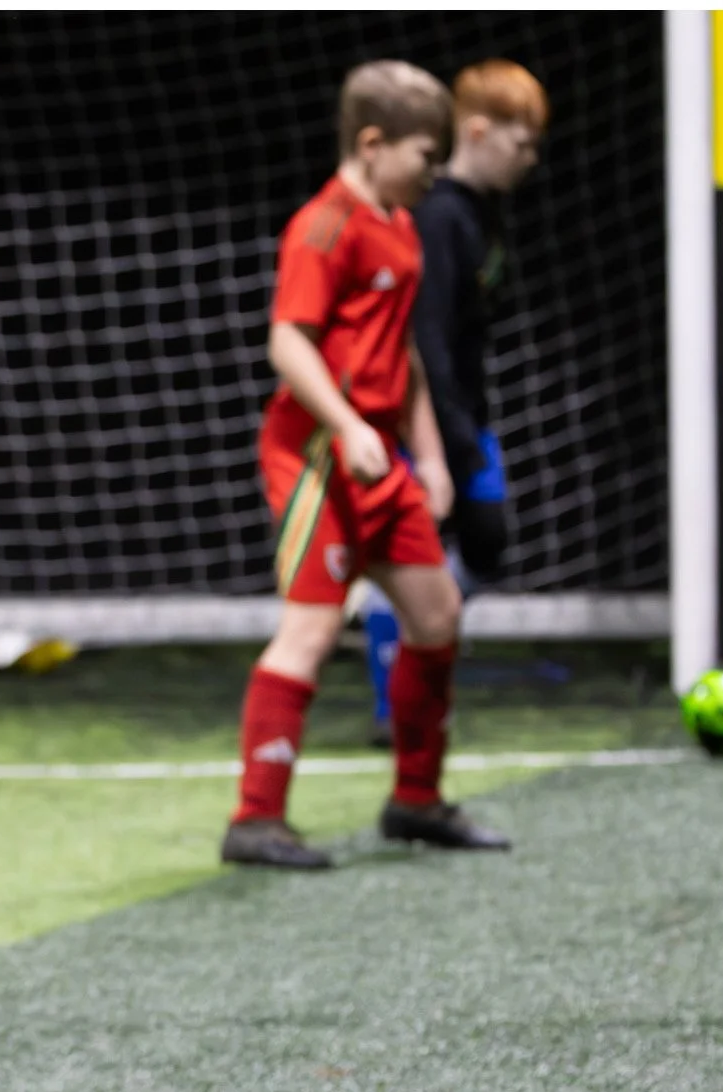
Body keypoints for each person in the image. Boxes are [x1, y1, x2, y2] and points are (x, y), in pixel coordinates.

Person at [220, 60, 510, 871]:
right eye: (426, 154)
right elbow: (288, 343)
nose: (434, 170)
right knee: (311, 629)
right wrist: (346, 423)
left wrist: (428, 451)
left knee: (437, 615)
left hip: (381, 458)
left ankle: (415, 801)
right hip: (318, 455)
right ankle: (254, 820)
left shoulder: (402, 223)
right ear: (373, 143)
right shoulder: (323, 226)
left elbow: (405, 352)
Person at [359, 59, 550, 743]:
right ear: (478, 131)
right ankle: (395, 693)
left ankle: (408, 646)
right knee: (423, 555)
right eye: (521, 143)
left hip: (467, 407)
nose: (528, 159)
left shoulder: (482, 212)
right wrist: (448, 438)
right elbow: (425, 338)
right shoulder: (439, 218)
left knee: (484, 544)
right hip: (431, 420)